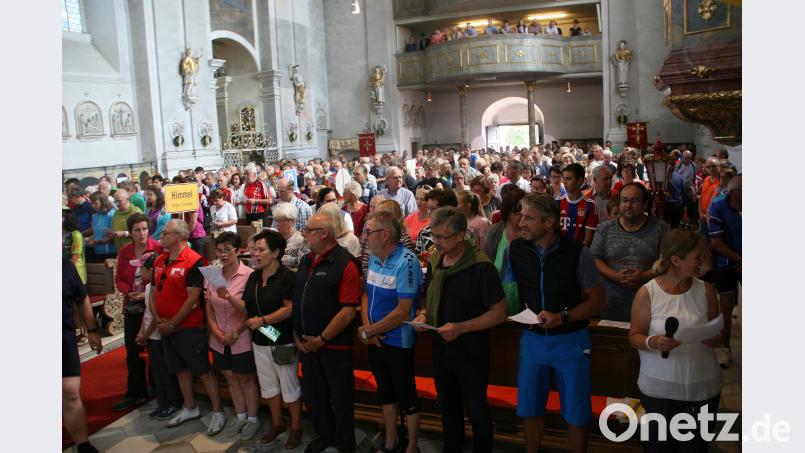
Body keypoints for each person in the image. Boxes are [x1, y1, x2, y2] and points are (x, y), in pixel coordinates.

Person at [501, 192, 605, 453]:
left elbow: (597, 301)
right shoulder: (515, 250)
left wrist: (563, 317)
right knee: (529, 408)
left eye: (528, 218)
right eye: (520, 216)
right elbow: (506, 289)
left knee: (576, 411)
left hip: (571, 341)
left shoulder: (578, 254)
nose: (520, 223)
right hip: (533, 340)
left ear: (549, 223)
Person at [411, 207, 506, 453]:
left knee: (476, 409)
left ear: (461, 235)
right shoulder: (436, 261)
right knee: (447, 406)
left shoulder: (480, 267)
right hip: (442, 348)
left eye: (442, 237)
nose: (436, 242)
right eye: (434, 236)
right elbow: (429, 299)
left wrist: (462, 328)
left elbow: (498, 312)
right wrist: (423, 315)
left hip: (471, 350)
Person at [629, 229, 723, 452]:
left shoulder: (706, 290)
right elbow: (634, 336)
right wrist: (653, 342)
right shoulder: (647, 293)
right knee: (659, 446)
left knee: (696, 447)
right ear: (676, 260)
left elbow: (719, 336)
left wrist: (713, 338)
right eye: (697, 256)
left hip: (702, 386)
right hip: (660, 390)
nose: (703, 261)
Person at [292, 213, 362, 453]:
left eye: (309, 229)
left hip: (333, 346)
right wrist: (296, 335)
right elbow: (298, 300)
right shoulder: (306, 260)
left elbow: (347, 311)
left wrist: (321, 340)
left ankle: (345, 443)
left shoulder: (346, 263)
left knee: (340, 397)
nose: (304, 233)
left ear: (324, 234)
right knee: (314, 395)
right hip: (305, 344)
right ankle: (325, 435)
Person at [150, 220, 226, 435]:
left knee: (202, 371)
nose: (161, 236)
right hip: (164, 325)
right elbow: (153, 292)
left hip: (189, 327)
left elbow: (193, 299)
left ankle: (218, 411)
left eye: (165, 233)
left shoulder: (195, 261)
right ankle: (190, 407)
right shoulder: (160, 260)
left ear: (180, 236)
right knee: (180, 371)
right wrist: (158, 320)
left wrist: (172, 324)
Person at [360, 210, 423, 453]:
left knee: (405, 393)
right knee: (385, 391)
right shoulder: (374, 256)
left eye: (369, 232)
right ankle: (390, 441)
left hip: (398, 340)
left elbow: (402, 311)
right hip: (376, 338)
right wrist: (368, 329)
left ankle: (412, 447)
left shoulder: (406, 261)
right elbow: (366, 294)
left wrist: (369, 331)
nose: (365, 237)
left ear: (385, 235)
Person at [202, 233, 262, 441]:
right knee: (228, 376)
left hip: (241, 335)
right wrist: (216, 331)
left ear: (238, 251)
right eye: (219, 250)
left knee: (245, 378)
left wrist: (235, 331)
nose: (223, 254)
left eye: (228, 249)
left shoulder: (249, 275)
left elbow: (250, 310)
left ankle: (253, 419)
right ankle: (240, 415)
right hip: (219, 337)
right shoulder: (213, 274)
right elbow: (208, 305)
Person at [591, 183, 669, 321]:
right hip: (612, 302)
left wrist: (645, 276)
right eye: (624, 200)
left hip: (651, 302)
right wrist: (615, 276)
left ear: (645, 203)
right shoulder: (604, 229)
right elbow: (595, 258)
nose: (628, 205)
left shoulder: (661, 229)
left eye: (634, 201)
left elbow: (668, 260)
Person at [113, 213, 164, 411]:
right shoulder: (125, 251)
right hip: (133, 305)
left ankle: (157, 387)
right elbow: (119, 279)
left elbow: (162, 276)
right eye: (137, 230)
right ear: (131, 233)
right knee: (133, 350)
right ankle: (135, 393)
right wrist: (130, 292)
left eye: (144, 229)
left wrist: (146, 294)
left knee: (155, 349)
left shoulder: (158, 248)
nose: (142, 233)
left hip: (153, 303)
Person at [63, 258, 103, 453]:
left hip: (62, 337)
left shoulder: (65, 265)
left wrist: (92, 329)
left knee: (70, 391)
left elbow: (82, 297)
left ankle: (83, 445)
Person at [135, 253, 182, 421]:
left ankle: (173, 403)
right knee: (156, 371)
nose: (141, 272)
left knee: (164, 371)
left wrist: (145, 335)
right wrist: (141, 331)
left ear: (151, 270)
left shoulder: (159, 287)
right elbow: (147, 313)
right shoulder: (149, 287)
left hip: (157, 335)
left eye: (143, 269)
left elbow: (157, 315)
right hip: (149, 335)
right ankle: (162, 403)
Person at [708, 175, 741, 368]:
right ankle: (725, 348)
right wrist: (739, 259)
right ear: (734, 193)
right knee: (726, 308)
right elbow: (716, 241)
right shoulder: (718, 207)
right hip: (726, 264)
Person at [558, 163, 599, 247]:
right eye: (564, 179)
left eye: (568, 179)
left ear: (580, 180)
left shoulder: (590, 205)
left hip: (579, 254)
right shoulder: (557, 202)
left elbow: (588, 239)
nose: (564, 182)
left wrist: (575, 255)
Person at [414, 188, 458, 262]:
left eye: (433, 209)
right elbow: (417, 256)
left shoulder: (458, 232)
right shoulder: (425, 231)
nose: (429, 212)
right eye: (428, 208)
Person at [272, 202, 309, 270]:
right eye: (276, 220)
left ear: (291, 221)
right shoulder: (272, 239)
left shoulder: (301, 240)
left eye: (280, 220)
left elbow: (302, 268)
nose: (277, 224)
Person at [86, 191, 117, 262]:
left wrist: (98, 242)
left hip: (110, 253)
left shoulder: (112, 214)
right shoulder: (94, 216)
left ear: (103, 201)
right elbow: (95, 235)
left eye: (96, 203)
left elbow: (114, 237)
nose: (93, 206)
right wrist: (87, 239)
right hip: (97, 252)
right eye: (92, 203)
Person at [63, 209, 87, 284]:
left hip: (75, 277)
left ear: (67, 219)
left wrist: (65, 273)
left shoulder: (76, 235)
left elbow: (75, 257)